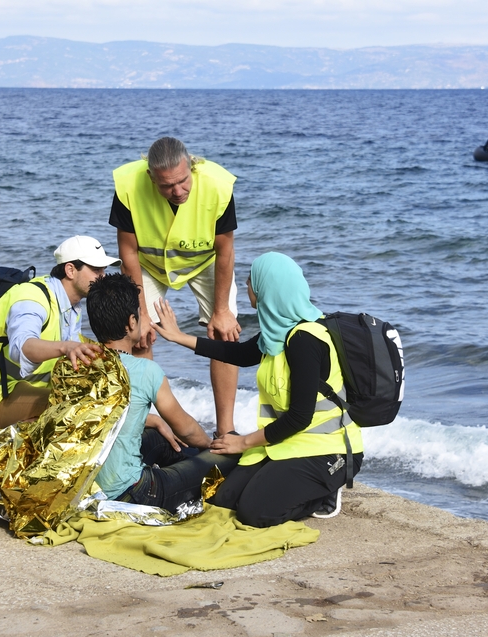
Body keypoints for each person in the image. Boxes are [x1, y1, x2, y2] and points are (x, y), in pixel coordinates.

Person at [152, 252, 364, 528]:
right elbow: (239, 353)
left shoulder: (305, 340)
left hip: (327, 450)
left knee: (255, 513)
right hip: (287, 443)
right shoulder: (277, 333)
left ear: (268, 288)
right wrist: (179, 337)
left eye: (251, 279)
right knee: (222, 499)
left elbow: (300, 417)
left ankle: (323, 495)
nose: (247, 284)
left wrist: (243, 442)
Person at [110, 136, 241, 436]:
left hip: (204, 261)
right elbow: (128, 253)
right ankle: (139, 425)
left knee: (225, 332)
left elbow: (225, 252)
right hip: (149, 264)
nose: (177, 191)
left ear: (191, 168)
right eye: (167, 185)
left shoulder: (218, 185)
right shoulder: (128, 185)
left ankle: (226, 433)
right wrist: (141, 314)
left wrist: (221, 310)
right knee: (137, 333)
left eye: (183, 181)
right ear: (150, 177)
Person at [86, 273, 239, 512]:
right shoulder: (145, 370)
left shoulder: (79, 362)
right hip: (134, 493)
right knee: (226, 457)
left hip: (89, 486)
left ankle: (188, 465)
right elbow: (186, 429)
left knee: (160, 436)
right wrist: (211, 445)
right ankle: (204, 475)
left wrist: (156, 421)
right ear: (131, 323)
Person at [0, 236, 119, 434]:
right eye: (96, 270)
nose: (103, 277)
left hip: (19, 391)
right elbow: (22, 347)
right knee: (75, 408)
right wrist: (66, 347)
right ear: (71, 270)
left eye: (104, 270)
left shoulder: (72, 306)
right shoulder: (32, 297)